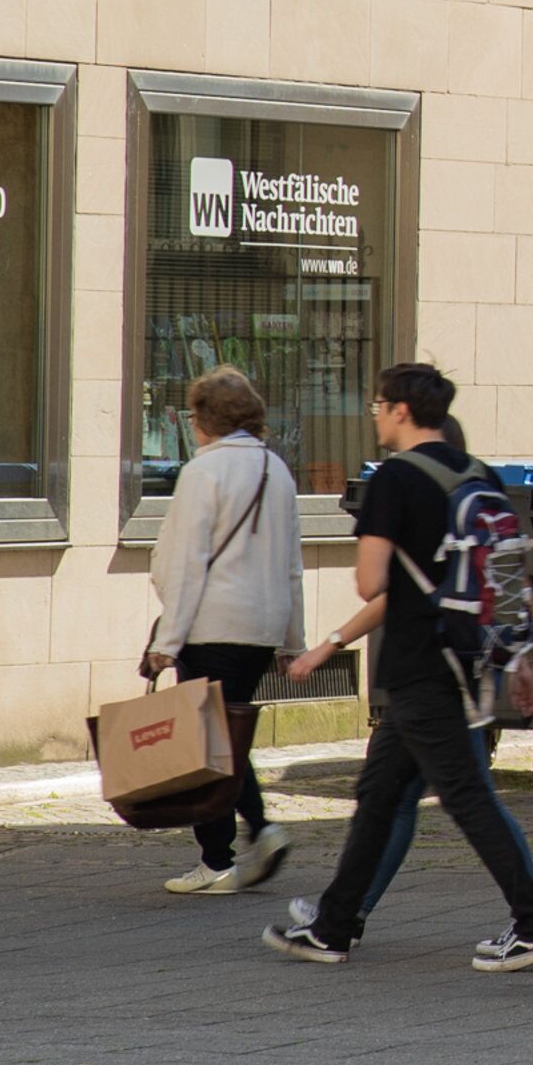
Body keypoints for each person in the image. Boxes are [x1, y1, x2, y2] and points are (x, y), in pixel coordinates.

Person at [266, 363, 533, 972]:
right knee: (379, 793)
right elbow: (508, 576)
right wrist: (532, 658)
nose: (373, 415)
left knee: (465, 795)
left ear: (401, 410)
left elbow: (369, 581)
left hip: (418, 662)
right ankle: (333, 927)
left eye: (378, 405)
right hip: (463, 656)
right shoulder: (476, 472)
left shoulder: (394, 480)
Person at [141, 366, 303, 894]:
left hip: (211, 626)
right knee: (222, 738)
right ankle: (236, 844)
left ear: (204, 418)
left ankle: (231, 850)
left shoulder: (202, 472)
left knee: (207, 744)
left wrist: (166, 643)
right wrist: (293, 639)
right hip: (261, 627)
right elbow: (292, 564)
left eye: (192, 415)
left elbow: (188, 563)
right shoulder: (276, 470)